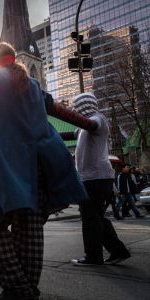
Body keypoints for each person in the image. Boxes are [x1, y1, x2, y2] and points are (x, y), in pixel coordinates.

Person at [0, 42, 88, 300]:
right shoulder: (34, 85)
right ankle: (28, 290)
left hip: (6, 163)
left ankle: (18, 288)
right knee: (30, 226)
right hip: (37, 164)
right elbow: (50, 104)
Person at [71, 92, 131, 266]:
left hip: (95, 178)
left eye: (77, 107)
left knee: (90, 218)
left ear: (84, 105)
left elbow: (94, 124)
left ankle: (93, 257)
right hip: (93, 178)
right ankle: (118, 251)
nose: (75, 110)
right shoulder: (84, 127)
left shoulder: (98, 120)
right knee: (96, 217)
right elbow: (75, 131)